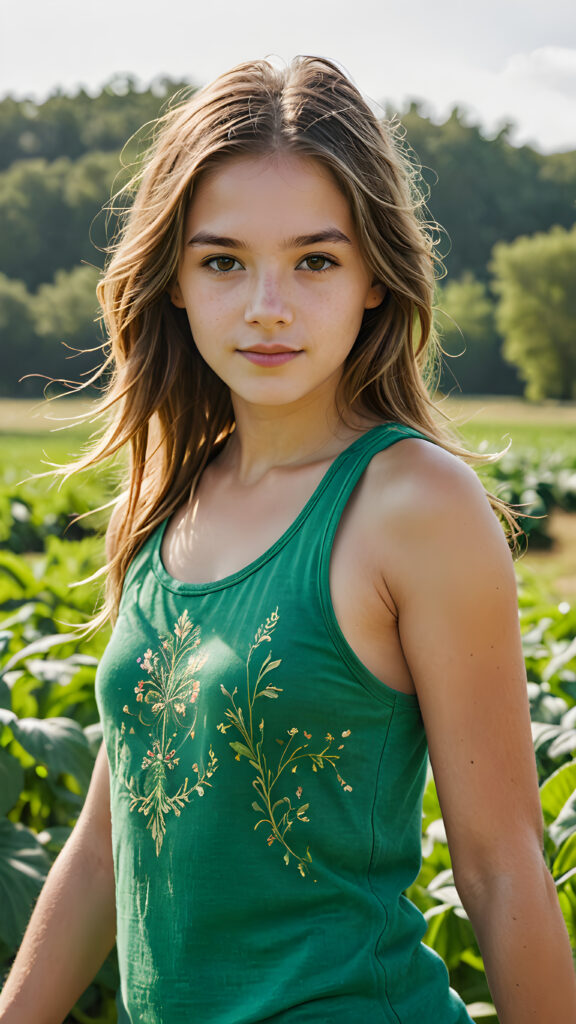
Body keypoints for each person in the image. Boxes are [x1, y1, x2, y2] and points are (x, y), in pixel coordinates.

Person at [0, 55, 574, 1024]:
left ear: (375, 279)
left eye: (316, 260)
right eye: (223, 261)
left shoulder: (415, 503)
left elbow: (500, 863)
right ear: (174, 281)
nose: (268, 304)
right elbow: (104, 848)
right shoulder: (172, 495)